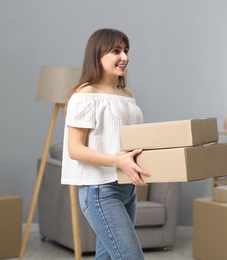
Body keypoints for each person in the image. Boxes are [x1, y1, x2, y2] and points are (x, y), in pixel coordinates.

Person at [61, 28, 150, 260]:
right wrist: (118, 161)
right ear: (98, 55)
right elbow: (75, 149)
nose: (125, 57)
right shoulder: (85, 95)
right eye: (116, 51)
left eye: (126, 50)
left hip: (127, 188)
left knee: (108, 257)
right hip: (101, 190)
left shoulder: (127, 94)